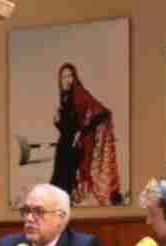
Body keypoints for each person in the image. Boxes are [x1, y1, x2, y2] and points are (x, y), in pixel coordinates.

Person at [49, 62, 122, 206]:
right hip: (63, 148)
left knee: (66, 187)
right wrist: (57, 121)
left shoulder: (80, 94)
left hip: (73, 149)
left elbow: (103, 113)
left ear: (75, 77)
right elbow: (67, 127)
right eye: (64, 77)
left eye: (70, 76)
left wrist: (81, 132)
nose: (67, 80)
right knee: (58, 187)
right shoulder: (65, 99)